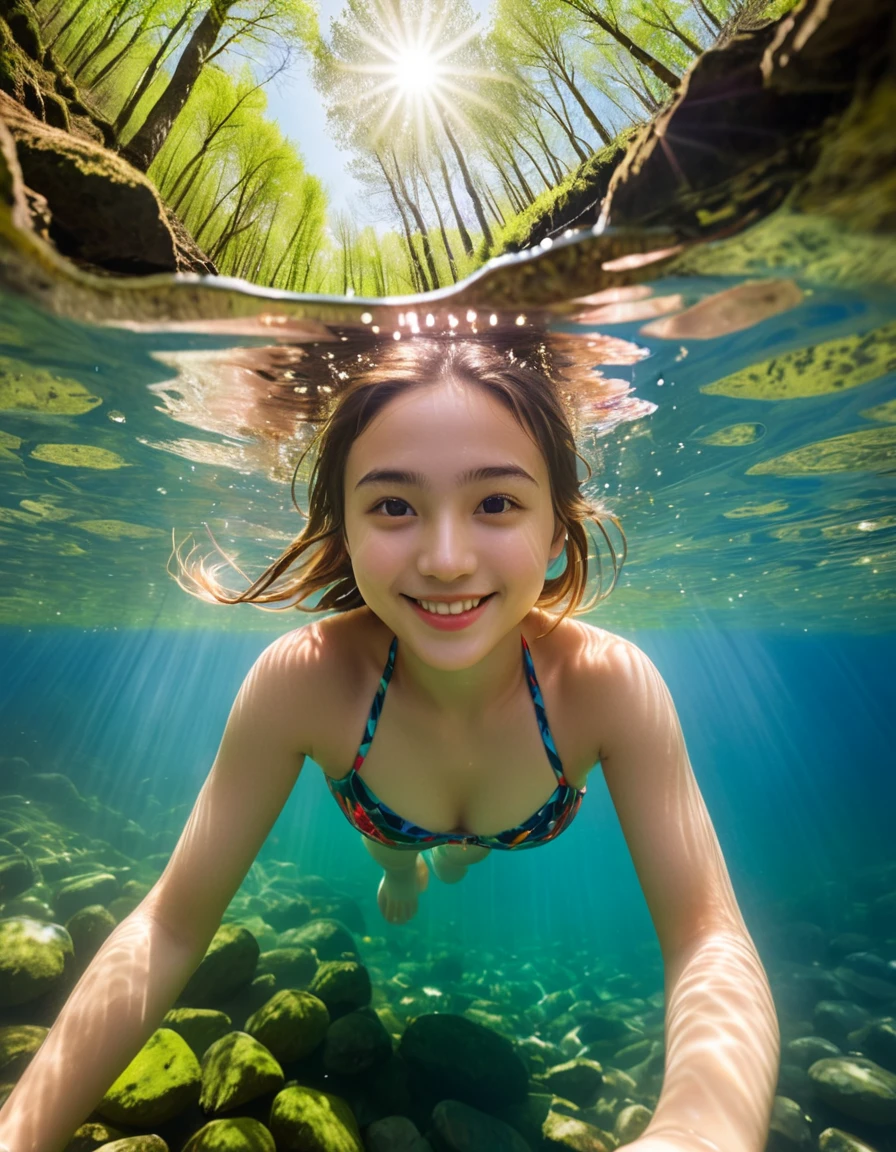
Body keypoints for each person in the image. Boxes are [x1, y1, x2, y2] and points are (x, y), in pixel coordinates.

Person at [0, 333, 779, 1152]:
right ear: (344, 527)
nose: (446, 559)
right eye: (395, 506)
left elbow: (710, 936)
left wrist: (699, 1130)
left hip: (515, 817)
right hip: (389, 817)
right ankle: (414, 861)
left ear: (557, 532)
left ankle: (446, 855)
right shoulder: (305, 679)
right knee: (402, 853)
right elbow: (169, 926)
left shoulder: (608, 684)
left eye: (497, 503)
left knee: (468, 848)